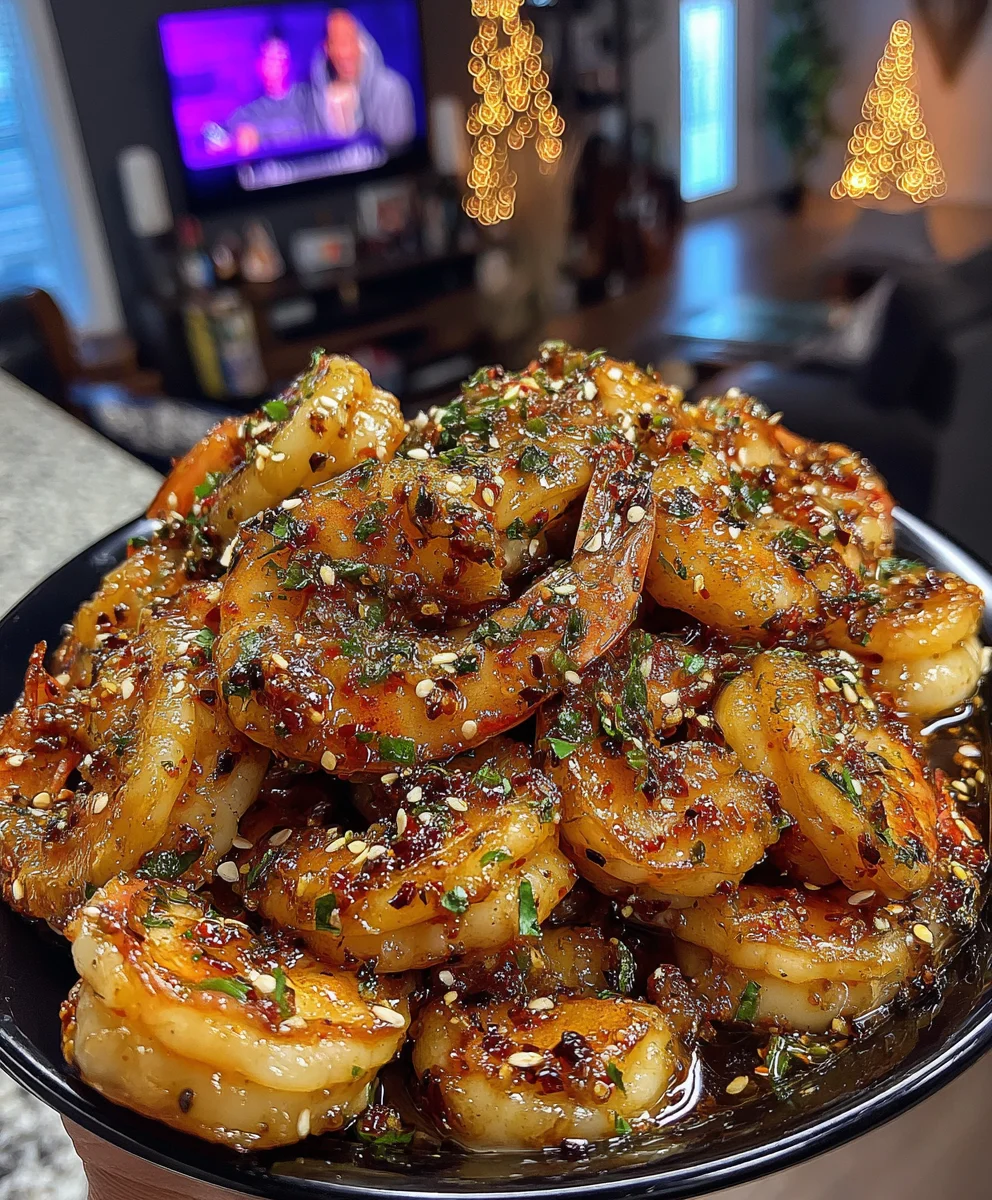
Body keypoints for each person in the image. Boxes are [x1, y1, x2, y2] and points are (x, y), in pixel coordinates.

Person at [309, 8, 416, 149]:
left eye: (350, 40)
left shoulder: (392, 90)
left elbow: (400, 153)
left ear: (363, 42)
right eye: (336, 43)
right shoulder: (315, 97)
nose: (345, 53)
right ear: (327, 49)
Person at [225, 31, 319, 157]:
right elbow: (214, 137)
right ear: (259, 63)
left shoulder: (310, 97)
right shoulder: (246, 113)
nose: (276, 64)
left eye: (280, 56)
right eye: (269, 57)